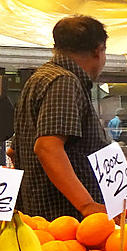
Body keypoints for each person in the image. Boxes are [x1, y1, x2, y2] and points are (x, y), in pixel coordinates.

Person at [12, 15, 110, 220]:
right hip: (65, 220)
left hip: (42, 217)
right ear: (98, 50)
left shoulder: (39, 78)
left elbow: (14, 150)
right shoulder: (64, 81)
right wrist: (87, 204)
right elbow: (48, 147)